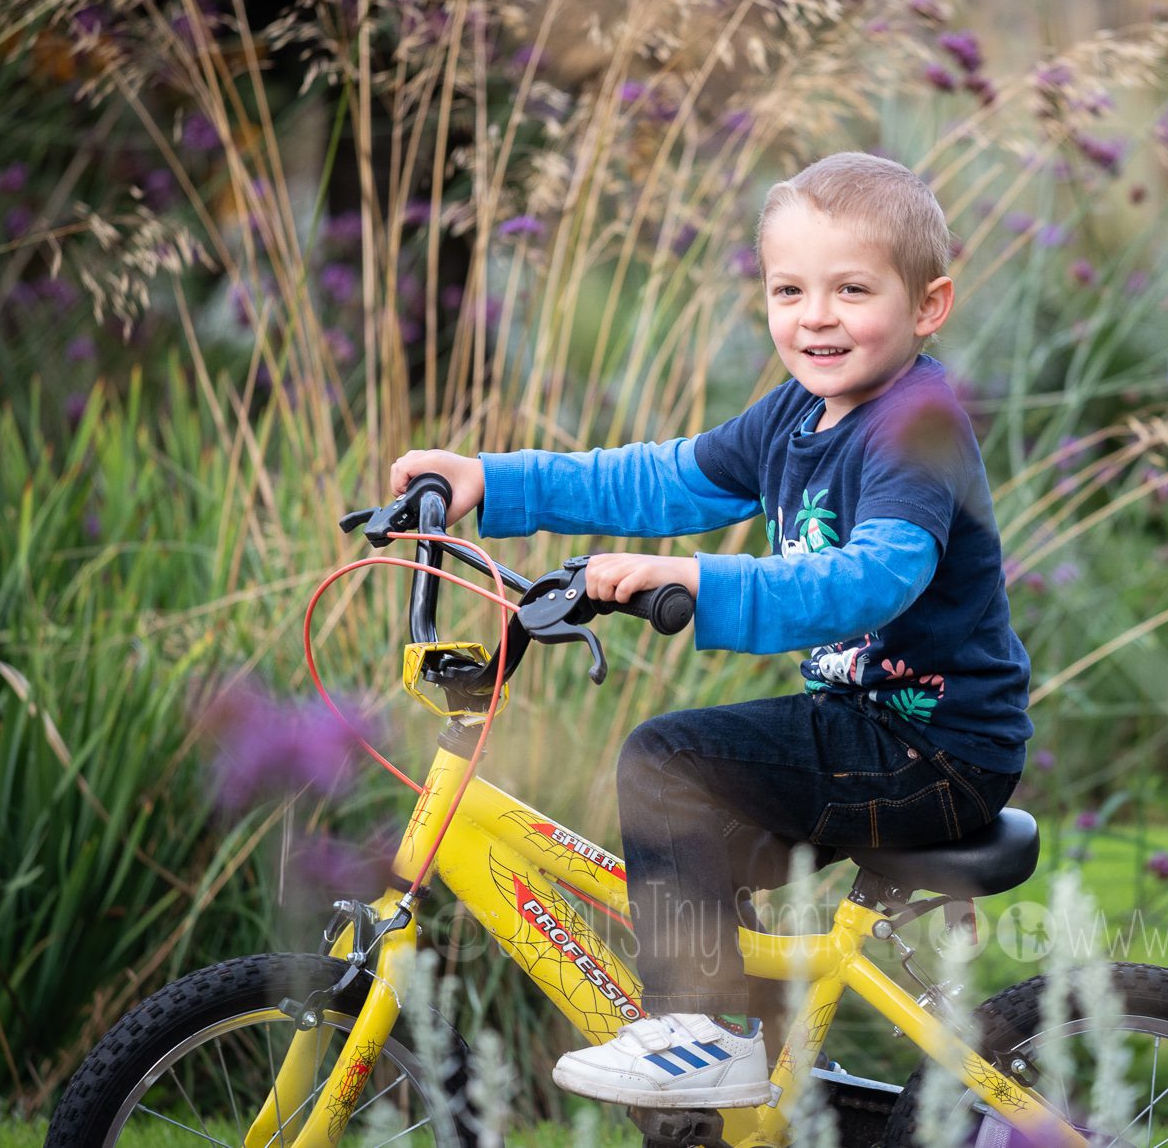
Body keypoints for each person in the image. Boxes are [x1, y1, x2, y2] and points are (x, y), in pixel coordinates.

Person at [387, 151, 1032, 1109]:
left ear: (928, 305)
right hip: (872, 732)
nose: (816, 315)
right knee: (695, 842)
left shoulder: (913, 429)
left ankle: (711, 1034)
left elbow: (869, 581)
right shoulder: (795, 415)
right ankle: (754, 1079)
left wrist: (694, 578)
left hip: (931, 746)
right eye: (790, 289)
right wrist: (493, 479)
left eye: (853, 289)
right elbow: (663, 477)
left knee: (670, 761)